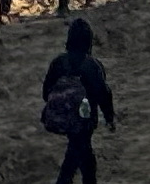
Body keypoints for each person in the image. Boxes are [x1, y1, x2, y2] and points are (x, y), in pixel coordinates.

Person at [41, 18, 119, 184]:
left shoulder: (58, 62)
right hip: (85, 120)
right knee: (78, 156)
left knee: (82, 153)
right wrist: (109, 117)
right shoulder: (93, 65)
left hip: (63, 117)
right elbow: (103, 94)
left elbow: (46, 91)